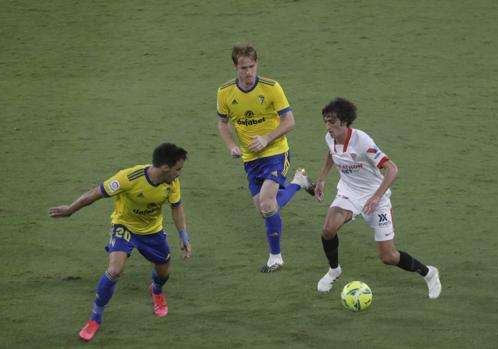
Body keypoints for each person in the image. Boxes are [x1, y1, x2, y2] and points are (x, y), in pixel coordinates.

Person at [48, 143, 192, 341]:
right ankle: (95, 318)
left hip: (152, 232)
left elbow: (176, 207)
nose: (179, 173)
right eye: (178, 169)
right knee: (115, 270)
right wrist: (70, 210)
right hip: (124, 227)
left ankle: (156, 290)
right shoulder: (128, 177)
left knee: (163, 273)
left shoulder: (172, 183)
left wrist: (183, 234)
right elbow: (95, 193)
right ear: (165, 168)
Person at [313, 97, 441, 299]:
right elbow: (332, 153)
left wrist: (376, 197)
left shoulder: (362, 141)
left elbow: (392, 169)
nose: (328, 126)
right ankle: (334, 270)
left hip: (376, 198)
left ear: (345, 122)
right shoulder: (330, 137)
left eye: (332, 122)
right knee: (328, 229)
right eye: (325, 121)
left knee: (388, 257)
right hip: (348, 193)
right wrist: (322, 179)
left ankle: (429, 273)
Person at [216, 43, 314, 273]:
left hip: (275, 152)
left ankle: (276, 257)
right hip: (250, 158)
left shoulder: (271, 88)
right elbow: (222, 123)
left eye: (252, 66)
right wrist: (232, 146)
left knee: (267, 202)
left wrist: (267, 138)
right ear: (234, 67)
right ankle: (298, 183)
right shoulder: (225, 92)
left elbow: (290, 121)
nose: (249, 72)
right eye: (243, 68)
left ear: (257, 63)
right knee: (264, 210)